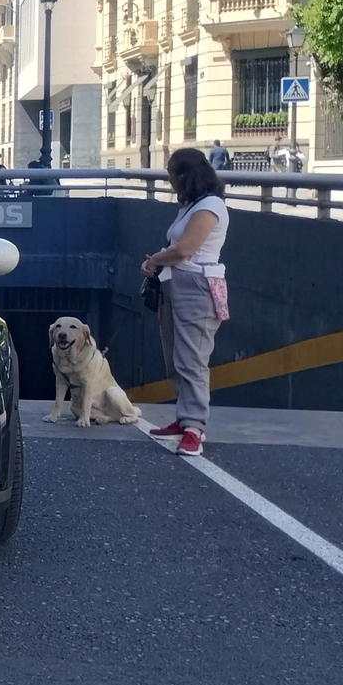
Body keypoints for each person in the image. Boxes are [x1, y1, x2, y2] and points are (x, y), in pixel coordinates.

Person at [142, 147, 230, 457]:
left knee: (192, 359)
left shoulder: (211, 206)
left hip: (198, 285)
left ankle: (194, 427)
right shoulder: (193, 205)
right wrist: (159, 262)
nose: (169, 181)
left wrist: (154, 261)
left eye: (171, 175)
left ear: (184, 175)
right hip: (175, 284)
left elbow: (185, 249)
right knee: (175, 357)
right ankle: (183, 419)